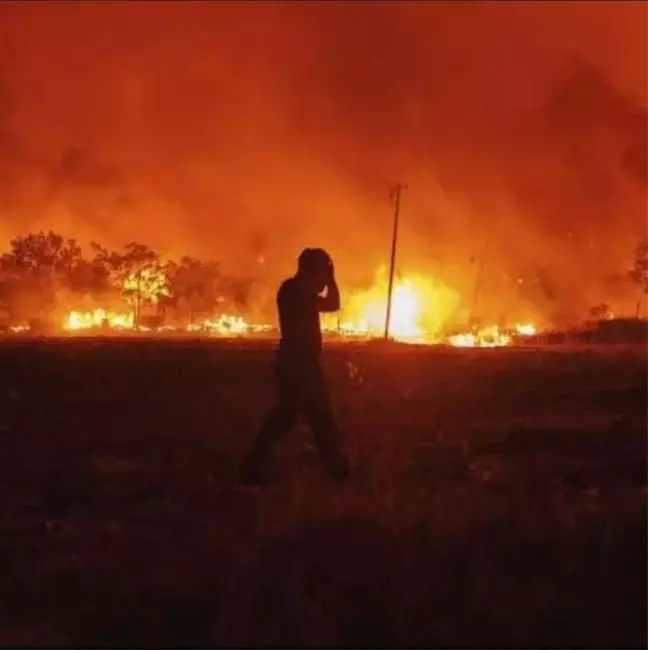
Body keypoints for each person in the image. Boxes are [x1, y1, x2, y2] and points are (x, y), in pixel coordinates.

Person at [239, 248, 350, 485]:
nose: (322, 278)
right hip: (298, 365)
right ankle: (337, 470)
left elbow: (331, 304)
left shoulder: (294, 289)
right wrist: (331, 279)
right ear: (311, 270)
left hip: (301, 363)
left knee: (303, 417)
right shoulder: (296, 290)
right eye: (320, 271)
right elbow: (333, 303)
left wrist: (328, 278)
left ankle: (337, 469)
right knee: (306, 417)